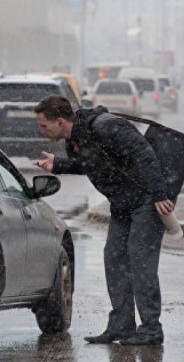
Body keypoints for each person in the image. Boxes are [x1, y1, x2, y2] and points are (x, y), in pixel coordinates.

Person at [32, 95, 174, 346]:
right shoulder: (75, 140)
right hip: (122, 204)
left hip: (146, 201)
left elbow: (144, 152)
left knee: (141, 262)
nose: (41, 131)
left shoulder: (104, 126)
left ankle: (151, 328)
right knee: (114, 260)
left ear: (60, 121)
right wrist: (58, 166)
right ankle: (121, 325)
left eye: (44, 125)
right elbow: (90, 165)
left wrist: (160, 193)